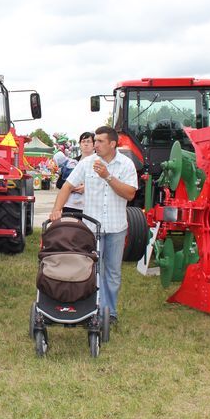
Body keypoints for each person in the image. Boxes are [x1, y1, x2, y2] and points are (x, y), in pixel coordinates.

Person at [49, 126, 137, 325]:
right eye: (94, 141)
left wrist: (107, 176)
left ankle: (110, 312)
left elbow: (130, 194)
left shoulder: (126, 165)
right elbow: (67, 186)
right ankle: (90, 309)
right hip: (91, 229)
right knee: (89, 270)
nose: (94, 144)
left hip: (116, 228)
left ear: (112, 144)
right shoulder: (87, 163)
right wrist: (57, 209)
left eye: (99, 141)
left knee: (112, 273)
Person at [54, 132, 96, 214]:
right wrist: (71, 187)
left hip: (90, 206)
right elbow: (59, 183)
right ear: (80, 145)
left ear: (94, 145)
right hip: (70, 205)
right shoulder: (71, 162)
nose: (86, 144)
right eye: (83, 142)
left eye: (89, 141)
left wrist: (86, 188)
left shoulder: (99, 162)